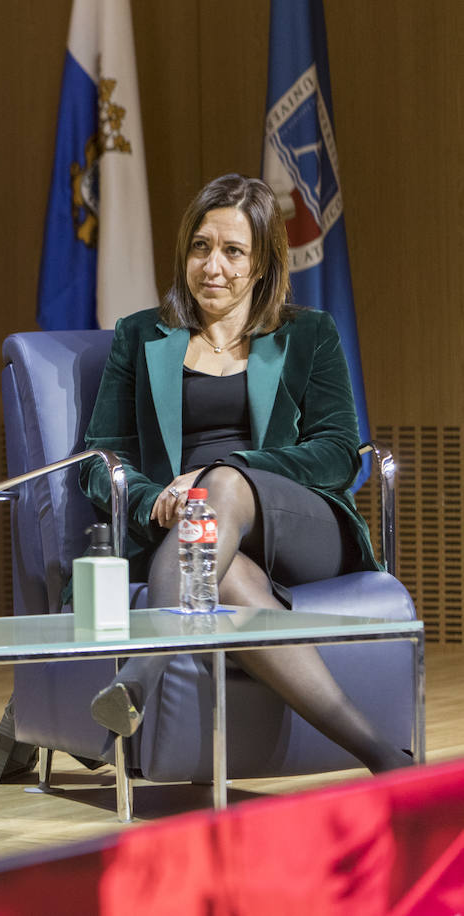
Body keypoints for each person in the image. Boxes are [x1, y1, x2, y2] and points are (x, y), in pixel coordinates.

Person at [79, 173, 409, 773]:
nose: (213, 266)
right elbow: (101, 461)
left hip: (298, 521)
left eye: (234, 252)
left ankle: (142, 671)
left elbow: (337, 452)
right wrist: (154, 502)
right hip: (194, 534)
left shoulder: (308, 333)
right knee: (229, 581)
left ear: (262, 265)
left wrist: (224, 468)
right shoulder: (140, 337)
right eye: (201, 247)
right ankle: (386, 759)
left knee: (224, 486)